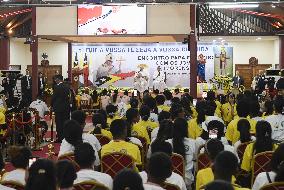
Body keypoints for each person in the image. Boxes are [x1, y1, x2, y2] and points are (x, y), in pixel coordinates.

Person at [167, 118, 195, 186]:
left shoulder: (167, 143)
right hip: (187, 180)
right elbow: (195, 160)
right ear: (186, 129)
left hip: (169, 180)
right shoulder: (192, 142)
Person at [51, 75, 71, 142]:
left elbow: (54, 97)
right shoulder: (67, 86)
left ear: (58, 79)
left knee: (59, 123)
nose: (55, 80)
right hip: (66, 107)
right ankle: (66, 137)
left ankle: (60, 138)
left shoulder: (56, 87)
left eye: (55, 79)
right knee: (65, 122)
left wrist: (51, 105)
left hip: (58, 108)